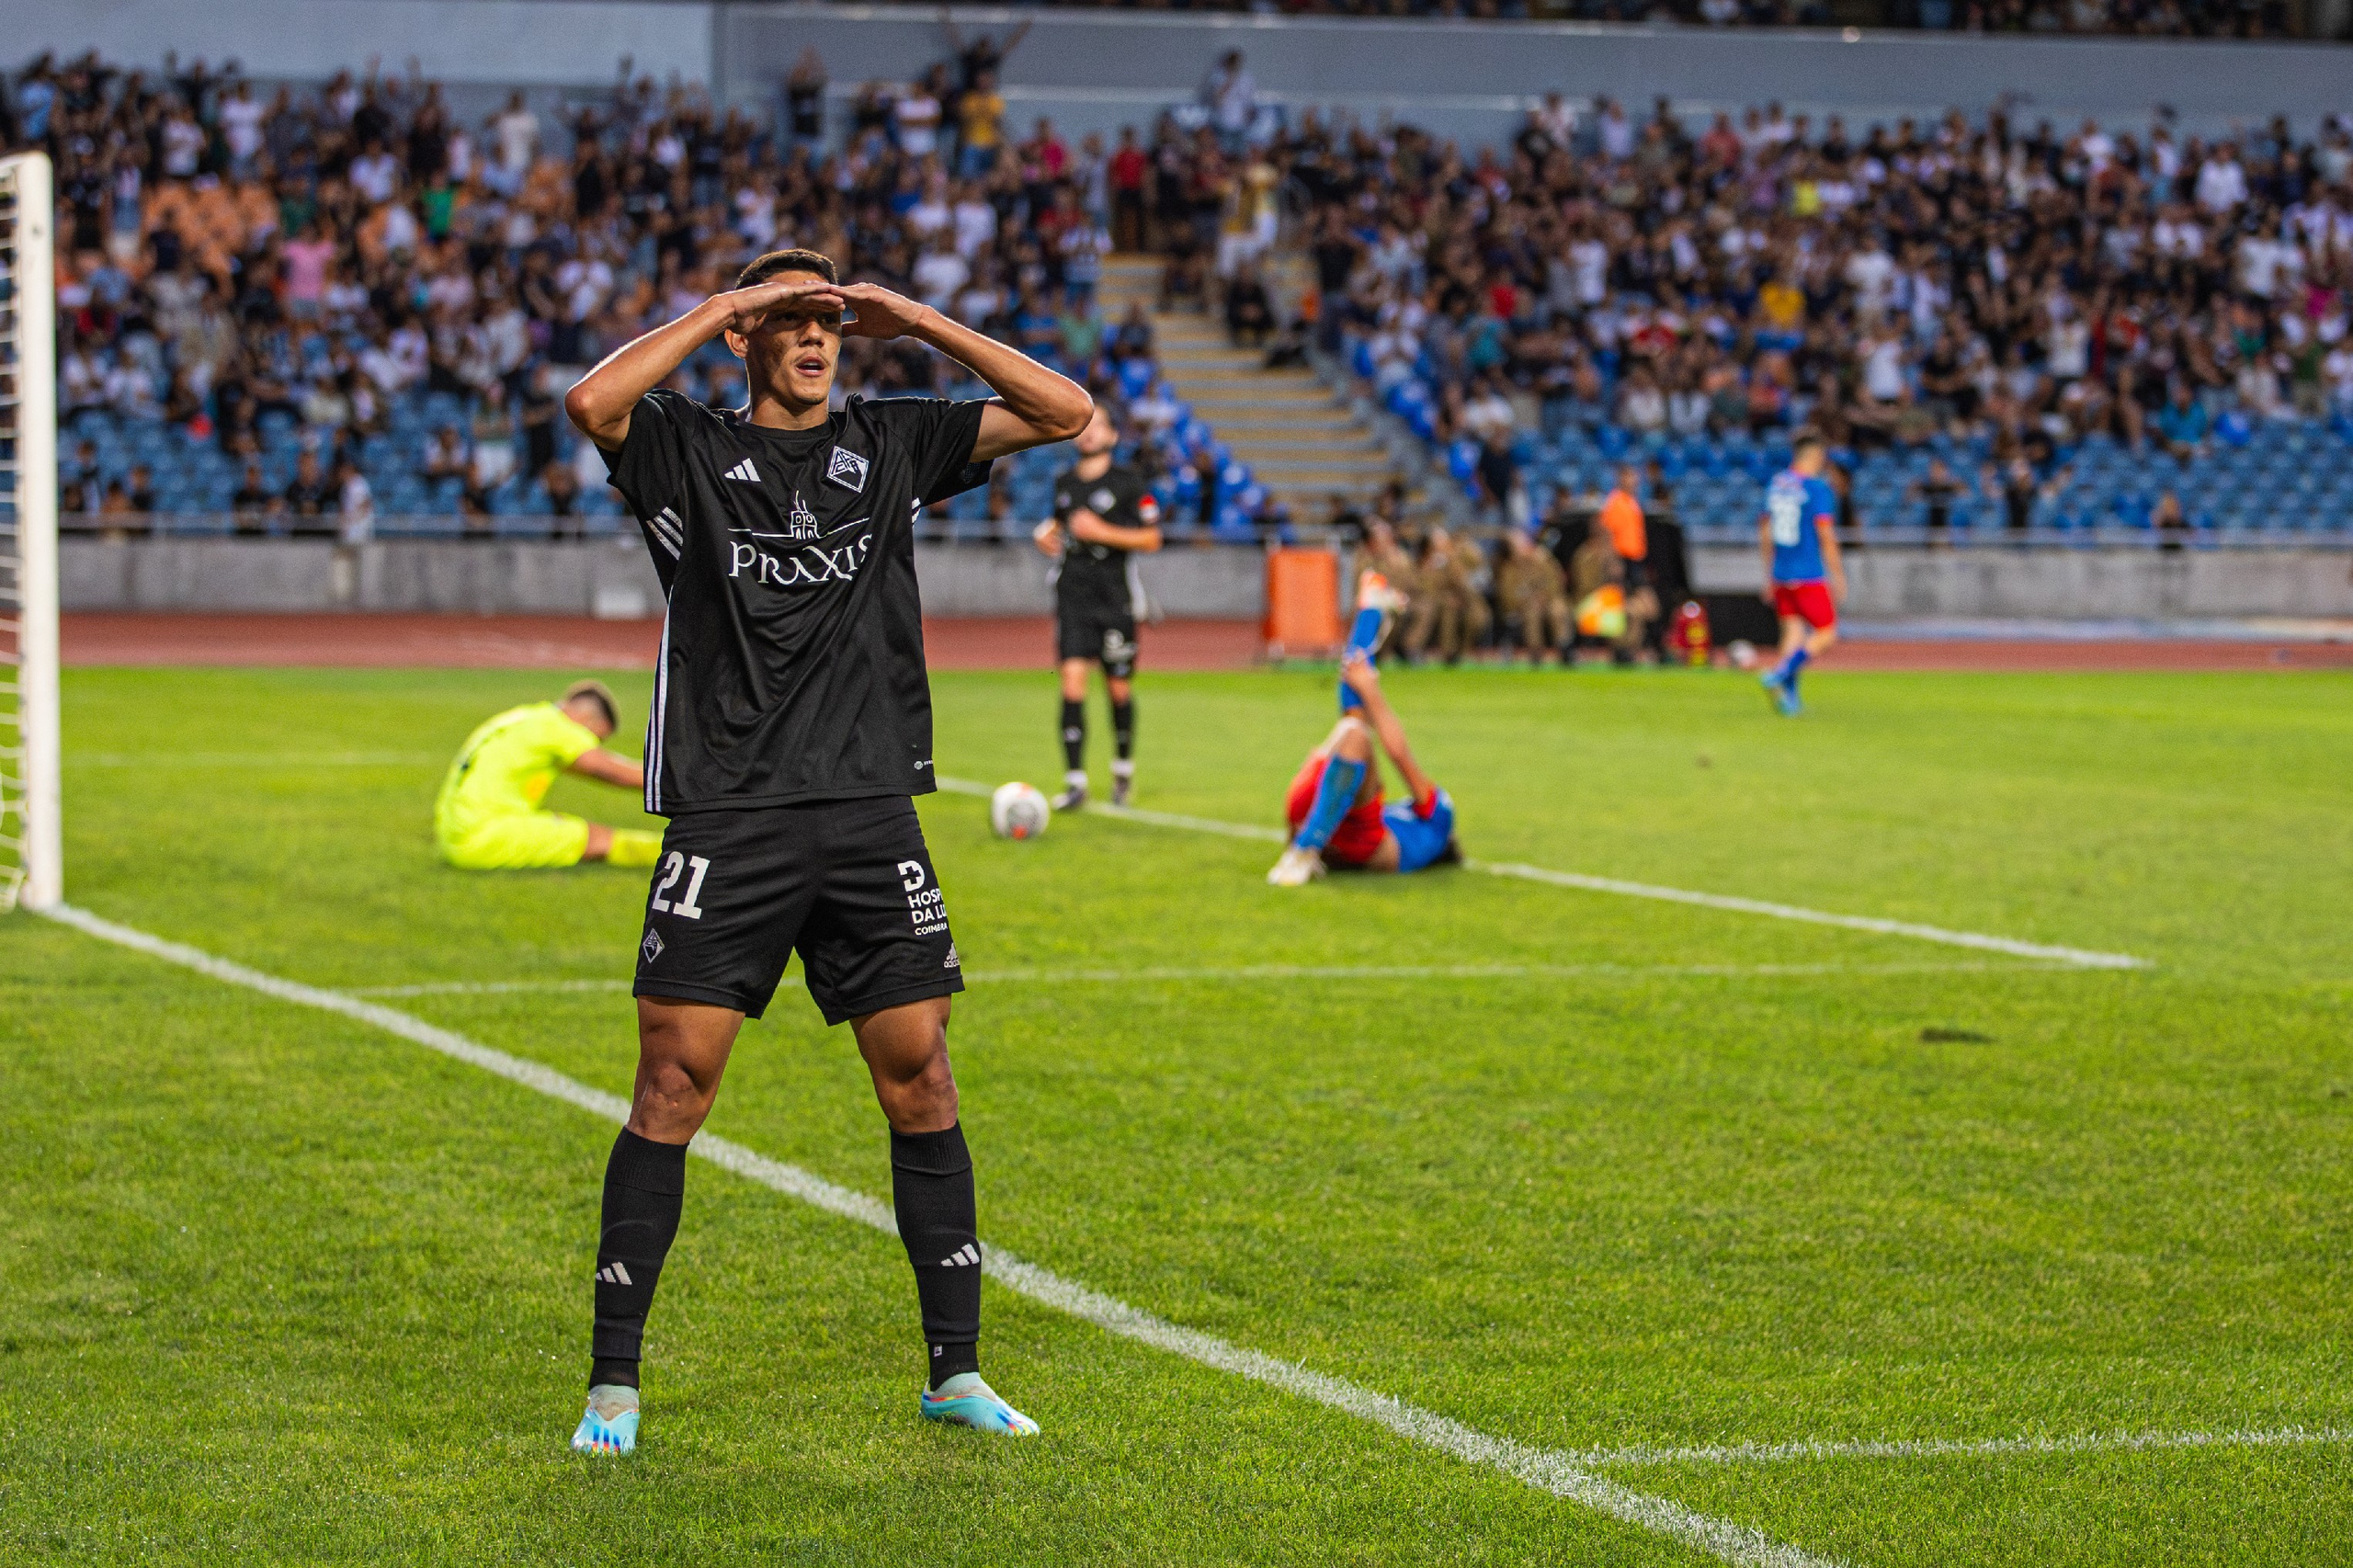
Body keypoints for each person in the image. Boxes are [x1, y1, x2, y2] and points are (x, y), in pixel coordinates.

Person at [561, 246, 1089, 1455]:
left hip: (867, 812)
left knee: (924, 1078)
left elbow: (1066, 413)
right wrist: (717, 311)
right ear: (749, 337)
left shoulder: (892, 440)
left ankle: (954, 1371)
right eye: (787, 321)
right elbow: (591, 404)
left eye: (827, 322)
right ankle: (612, 1387)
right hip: (730, 813)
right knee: (672, 1087)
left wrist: (917, 318)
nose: (813, 340)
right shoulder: (686, 446)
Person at [1031, 406, 1161, 811]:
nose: (1088, 434)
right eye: (1083, 427)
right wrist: (1044, 534)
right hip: (1072, 594)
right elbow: (1056, 526)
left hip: (1113, 598)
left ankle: (1122, 772)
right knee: (1071, 683)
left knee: (1118, 688)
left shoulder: (1130, 482)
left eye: (1097, 426)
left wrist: (1102, 532)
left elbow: (1152, 539)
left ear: (1112, 436)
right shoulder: (1064, 483)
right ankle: (1075, 783)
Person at [1267, 651, 1460, 887]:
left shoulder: (1441, 816)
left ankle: (1305, 846)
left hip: (1349, 838)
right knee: (1351, 730)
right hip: (1350, 842)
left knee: (1354, 733)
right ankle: (1303, 849)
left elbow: (1400, 756)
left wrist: (1371, 692)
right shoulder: (1414, 828)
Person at [434, 681, 664, 869]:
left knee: (562, 824)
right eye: (596, 738)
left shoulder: (523, 717)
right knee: (597, 839)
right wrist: (683, 783)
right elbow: (611, 771)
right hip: (484, 838)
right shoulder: (558, 728)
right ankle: (676, 856)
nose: (591, 744)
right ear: (587, 720)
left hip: (452, 835)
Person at [1756, 434, 1847, 717]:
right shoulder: (1816, 488)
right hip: (1808, 572)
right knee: (1827, 633)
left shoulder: (1776, 484)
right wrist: (1838, 574)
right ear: (1814, 457)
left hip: (1782, 572)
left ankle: (1789, 701)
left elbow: (1765, 531)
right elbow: (1825, 532)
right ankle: (1781, 672)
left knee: (1793, 633)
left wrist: (1769, 572)